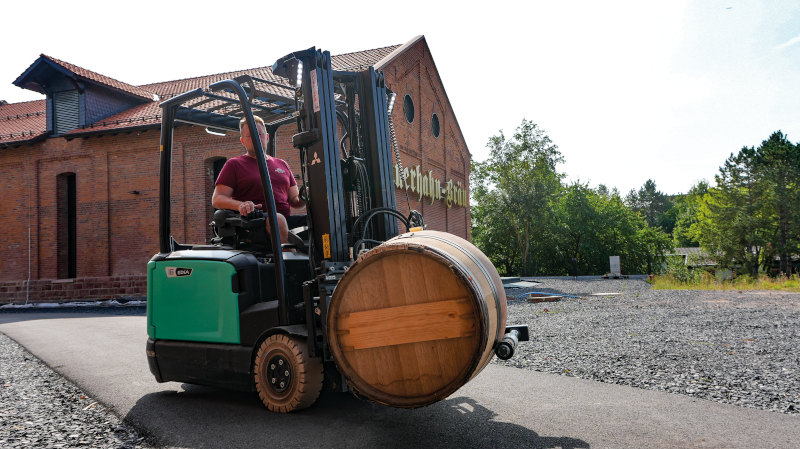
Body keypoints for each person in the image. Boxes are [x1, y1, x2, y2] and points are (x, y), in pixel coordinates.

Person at [212, 115, 304, 245]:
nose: (256, 138)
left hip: (284, 221)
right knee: (277, 219)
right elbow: (217, 199)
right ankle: (288, 262)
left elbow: (295, 201)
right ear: (243, 141)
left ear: (266, 137)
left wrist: (306, 196)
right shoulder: (234, 165)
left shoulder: (282, 164)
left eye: (260, 134)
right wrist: (240, 205)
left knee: (321, 220)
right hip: (255, 223)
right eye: (250, 136)